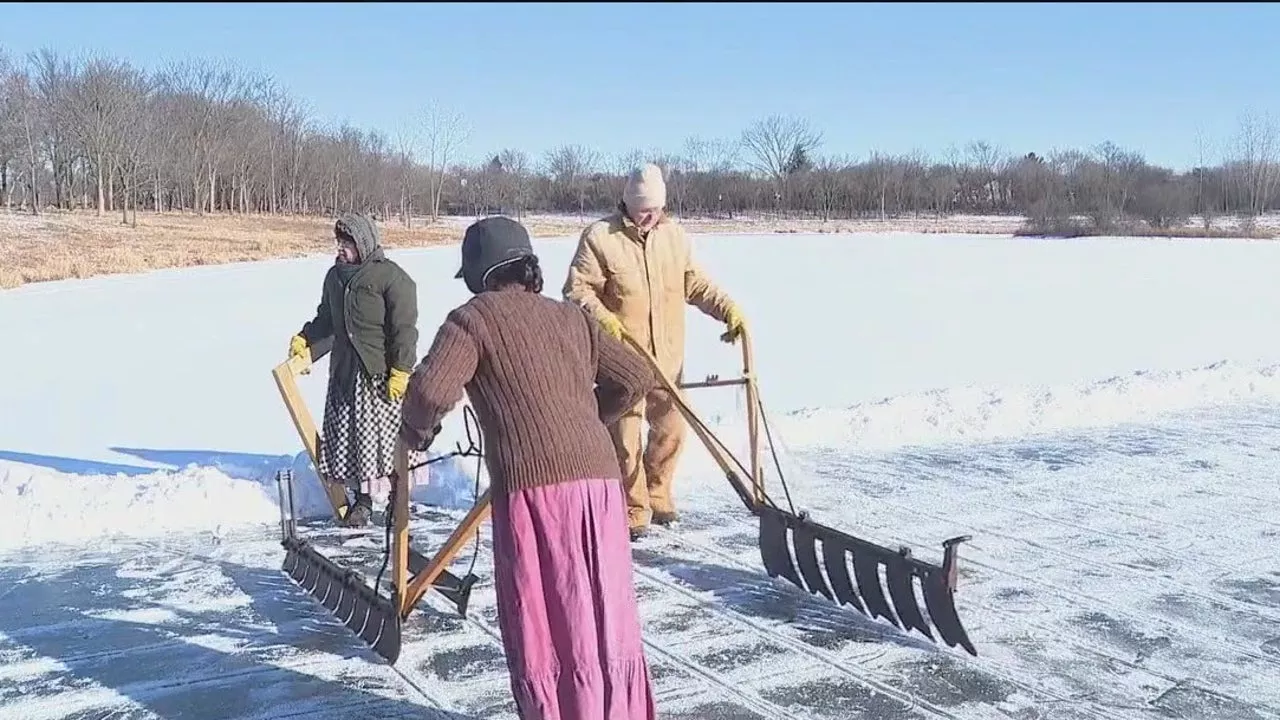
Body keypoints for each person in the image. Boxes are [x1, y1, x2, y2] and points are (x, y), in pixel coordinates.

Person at [399, 216, 658, 720]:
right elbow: (634, 377)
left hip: (539, 496)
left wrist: (414, 432)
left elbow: (430, 391)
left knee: (549, 618)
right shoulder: (571, 317)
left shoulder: (473, 319)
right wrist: (586, 417)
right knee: (604, 610)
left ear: (479, 274)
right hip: (602, 485)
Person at [563, 162, 745, 540]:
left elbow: (694, 284)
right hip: (623, 360)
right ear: (628, 204)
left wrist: (728, 310)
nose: (651, 215)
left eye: (657, 208)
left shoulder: (674, 236)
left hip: (668, 358)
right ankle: (633, 507)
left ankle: (658, 493)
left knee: (671, 429)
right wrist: (603, 320)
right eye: (644, 208)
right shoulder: (601, 237)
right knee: (626, 438)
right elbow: (577, 291)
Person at [288, 212, 420, 527]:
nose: (341, 249)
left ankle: (397, 500)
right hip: (346, 375)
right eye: (339, 242)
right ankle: (362, 502)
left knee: (387, 442)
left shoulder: (390, 278)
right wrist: (305, 339)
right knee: (353, 444)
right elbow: (326, 319)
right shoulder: (335, 277)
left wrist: (401, 370)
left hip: (380, 377)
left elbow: (404, 330)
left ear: (363, 243)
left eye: (347, 243)